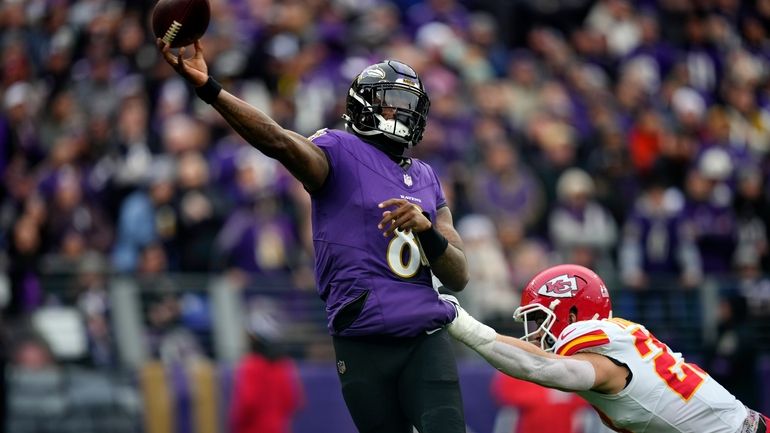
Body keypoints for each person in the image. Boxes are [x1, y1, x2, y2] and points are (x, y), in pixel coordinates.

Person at [157, 40, 470, 433]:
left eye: (409, 102)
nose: (403, 111)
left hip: (424, 335)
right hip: (361, 337)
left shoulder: (426, 177)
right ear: (363, 105)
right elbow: (276, 139)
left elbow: (458, 274)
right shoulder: (339, 151)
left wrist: (428, 233)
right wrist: (210, 89)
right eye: (392, 101)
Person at [443, 264, 769, 433]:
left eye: (541, 317)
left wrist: (462, 324)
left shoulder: (602, 355)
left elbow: (540, 367)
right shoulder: (622, 341)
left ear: (573, 314)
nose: (535, 332)